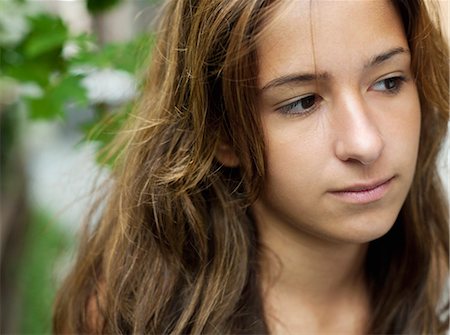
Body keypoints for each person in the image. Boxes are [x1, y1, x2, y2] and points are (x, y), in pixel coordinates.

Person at [53, 0, 449, 333]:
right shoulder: (138, 316)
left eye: (389, 82)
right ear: (222, 135)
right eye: (302, 102)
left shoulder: (436, 281)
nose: (366, 142)